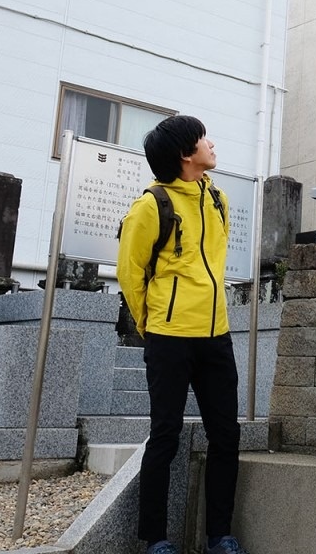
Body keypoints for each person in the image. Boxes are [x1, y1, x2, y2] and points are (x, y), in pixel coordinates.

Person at [117, 115, 247, 554]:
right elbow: (129, 273)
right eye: (201, 138)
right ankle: (156, 539)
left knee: (226, 435)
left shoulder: (217, 200)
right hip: (169, 337)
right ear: (185, 155)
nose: (211, 143)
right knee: (166, 434)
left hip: (217, 337)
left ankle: (220, 536)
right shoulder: (151, 206)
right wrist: (150, 327)